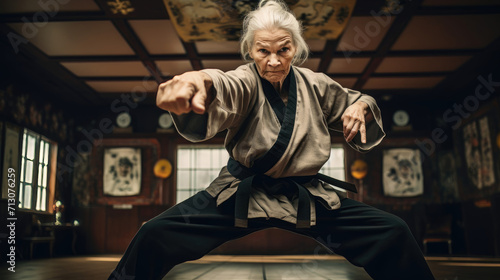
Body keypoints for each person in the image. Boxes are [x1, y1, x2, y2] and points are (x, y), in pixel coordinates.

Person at [108, 1, 435, 279]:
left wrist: (361, 107)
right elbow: (221, 84)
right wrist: (196, 81)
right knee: (153, 234)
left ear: (296, 48)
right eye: (263, 51)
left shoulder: (315, 84)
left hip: (307, 196)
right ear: (250, 50)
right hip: (240, 194)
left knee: (393, 232)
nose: (274, 60)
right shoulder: (245, 81)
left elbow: (355, 100)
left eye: (284, 50)